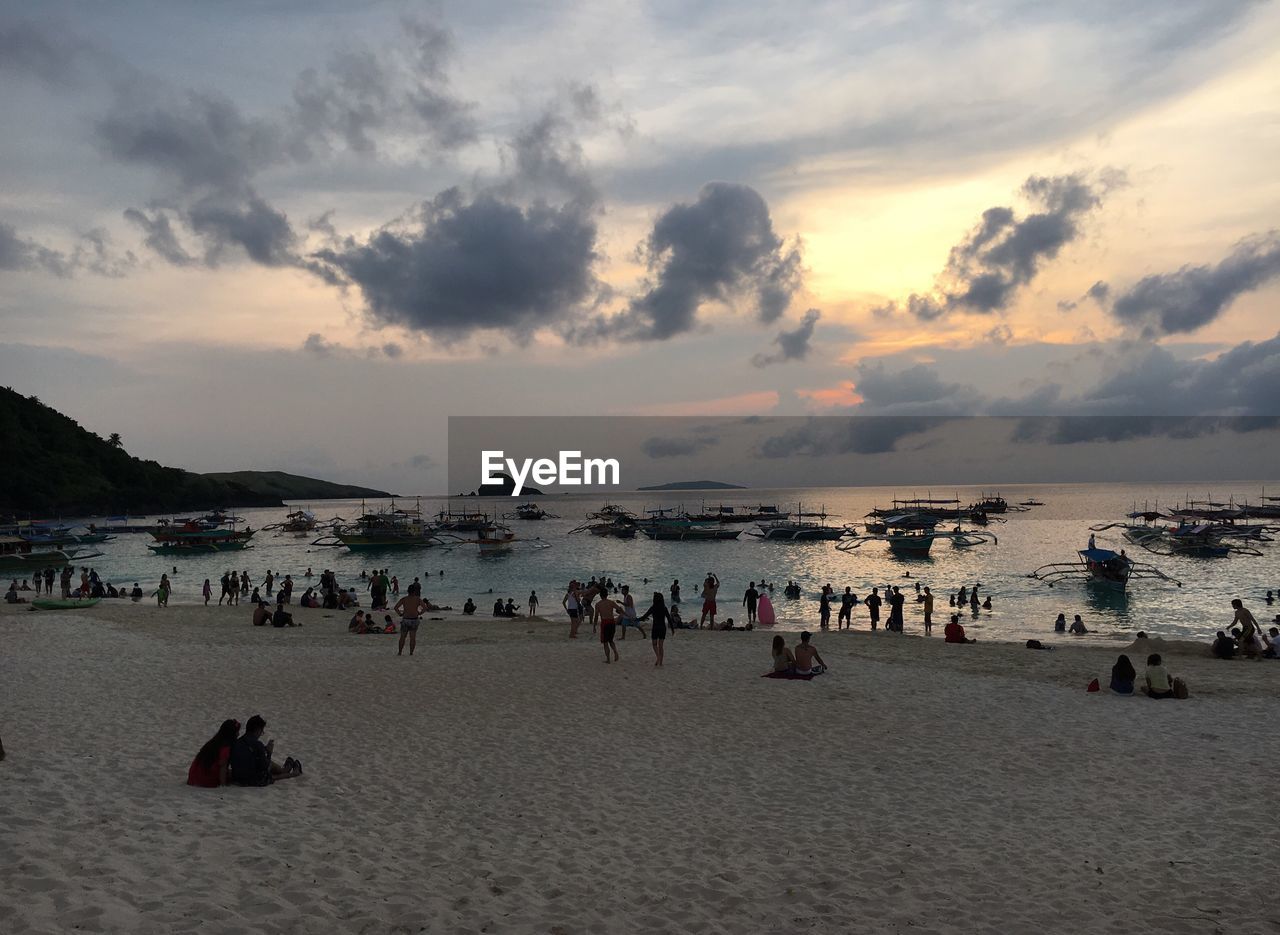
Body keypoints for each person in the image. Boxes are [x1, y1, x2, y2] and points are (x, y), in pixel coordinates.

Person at [229, 715, 301, 785]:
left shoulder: (237, 742)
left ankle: (284, 770)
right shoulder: (257, 744)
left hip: (237, 777)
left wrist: (264, 749)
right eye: (261, 731)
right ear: (257, 730)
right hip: (250, 780)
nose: (261, 734)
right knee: (270, 775)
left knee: (262, 763)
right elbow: (265, 767)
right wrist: (269, 753)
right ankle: (293, 773)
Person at [187, 719, 240, 787]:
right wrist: (223, 785)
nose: (238, 734)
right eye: (237, 732)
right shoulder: (225, 747)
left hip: (193, 777)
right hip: (205, 781)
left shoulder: (213, 743)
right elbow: (222, 767)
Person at [638, 592, 671, 666]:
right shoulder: (664, 608)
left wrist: (637, 619)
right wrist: (672, 629)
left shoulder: (653, 608)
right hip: (662, 628)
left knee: (654, 644)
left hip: (655, 628)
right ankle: (660, 662)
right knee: (661, 646)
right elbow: (669, 619)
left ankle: (658, 657)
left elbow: (644, 617)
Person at [594, 588, 621, 663]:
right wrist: (623, 616)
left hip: (605, 623)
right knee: (611, 640)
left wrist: (594, 626)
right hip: (612, 622)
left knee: (605, 642)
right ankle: (615, 651)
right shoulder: (611, 602)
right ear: (607, 594)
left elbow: (596, 616)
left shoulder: (598, 604)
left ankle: (608, 659)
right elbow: (619, 609)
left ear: (600, 595)